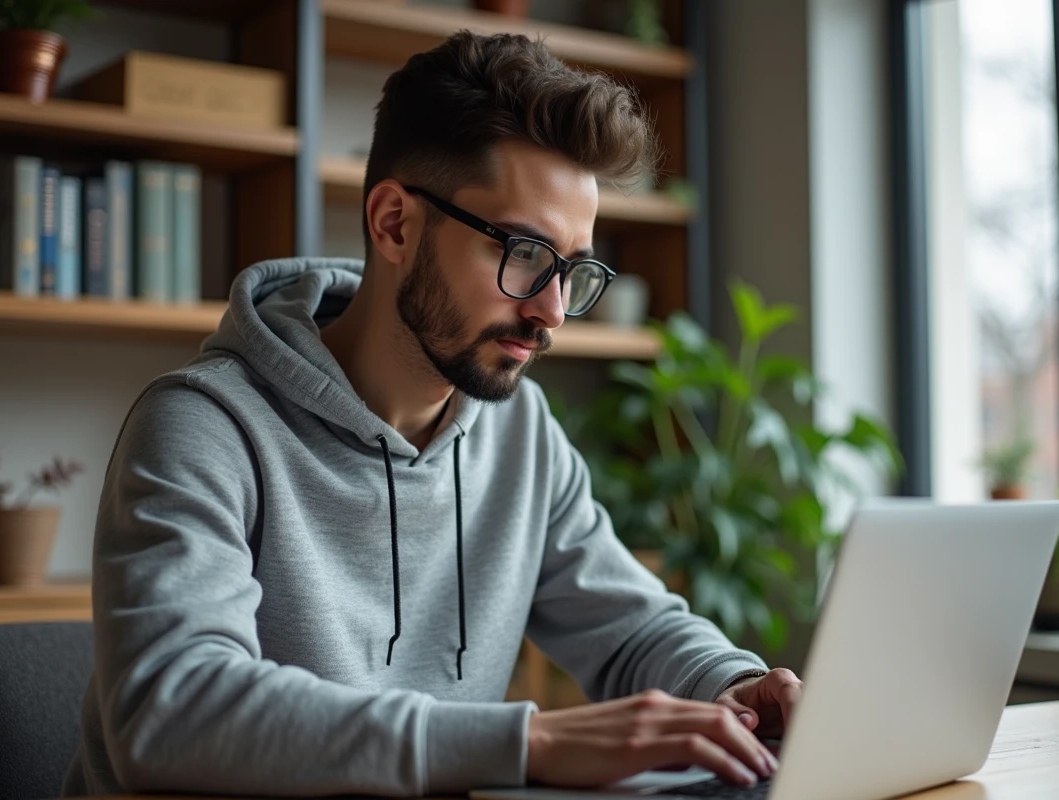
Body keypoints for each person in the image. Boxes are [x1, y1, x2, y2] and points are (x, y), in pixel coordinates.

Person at [62, 30, 803, 798]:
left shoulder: (520, 433)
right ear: (394, 224)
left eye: (574, 270)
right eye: (522, 253)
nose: (551, 312)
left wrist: (731, 686)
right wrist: (530, 741)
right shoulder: (204, 427)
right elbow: (173, 713)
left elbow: (633, 625)